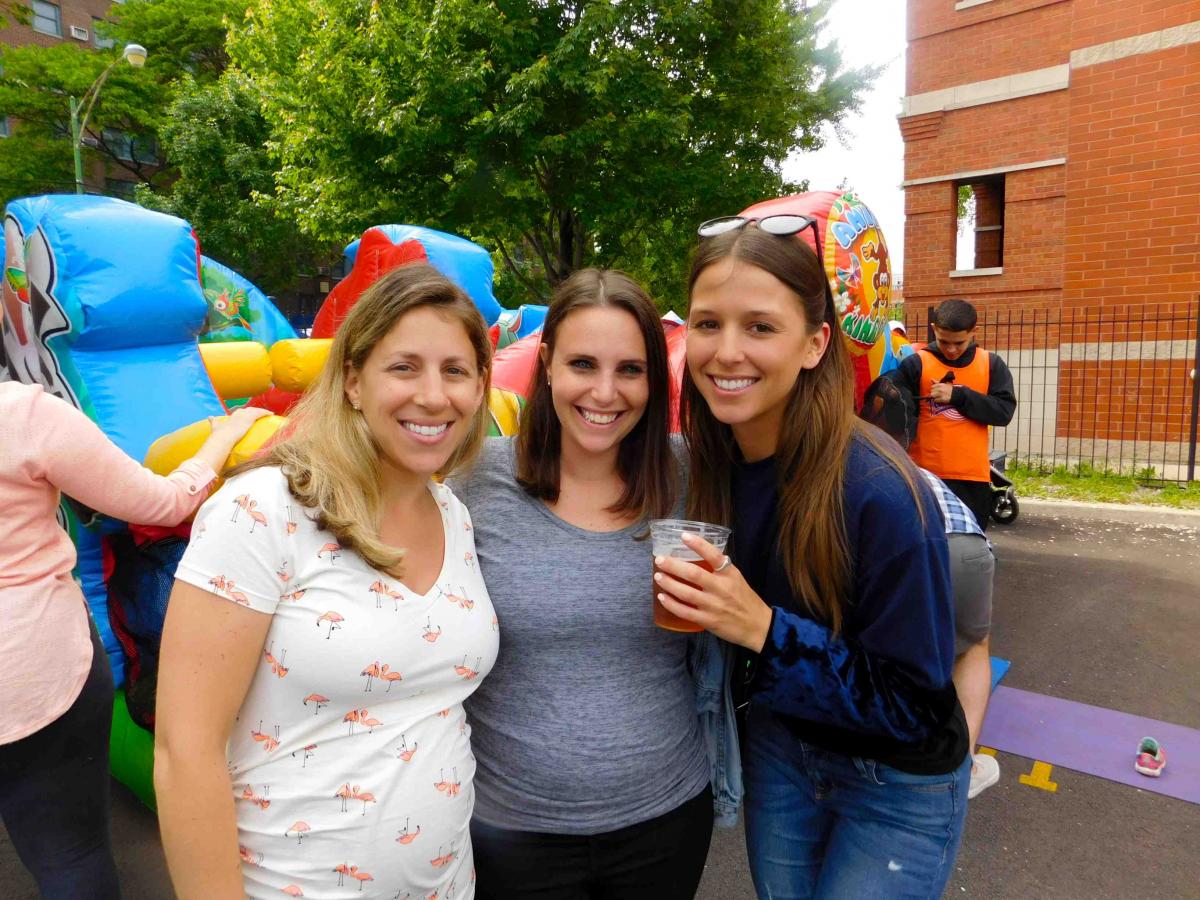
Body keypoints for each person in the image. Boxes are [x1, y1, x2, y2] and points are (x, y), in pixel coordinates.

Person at [154, 264, 496, 900]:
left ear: (480, 388)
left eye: (455, 370)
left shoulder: (455, 513)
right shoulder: (262, 509)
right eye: (404, 367)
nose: (433, 395)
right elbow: (184, 751)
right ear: (353, 381)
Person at [654, 219, 970, 899]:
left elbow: (914, 706)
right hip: (783, 751)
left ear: (815, 343)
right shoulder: (710, 465)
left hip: (894, 781)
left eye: (760, 327)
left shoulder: (878, 492)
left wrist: (764, 630)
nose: (726, 351)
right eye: (707, 324)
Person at [449, 269, 713, 899]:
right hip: (510, 831)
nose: (605, 391)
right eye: (583, 364)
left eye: (630, 369)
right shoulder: (474, 481)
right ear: (546, 366)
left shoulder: (693, 477)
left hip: (667, 819)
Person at [0, 381, 268, 900]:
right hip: (36, 672)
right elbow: (164, 503)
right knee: (69, 852)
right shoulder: (23, 415)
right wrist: (224, 435)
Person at [860, 375, 1000, 799]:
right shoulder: (916, 468)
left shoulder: (858, 463)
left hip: (918, 543)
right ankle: (964, 762)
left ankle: (880, 762)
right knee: (972, 647)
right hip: (969, 544)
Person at [891, 297, 1016, 531]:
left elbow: (1004, 412)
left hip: (973, 480)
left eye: (959, 343)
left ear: (974, 332)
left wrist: (958, 396)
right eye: (943, 341)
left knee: (968, 547)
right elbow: (895, 416)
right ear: (934, 329)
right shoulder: (916, 364)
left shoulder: (991, 364)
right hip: (924, 476)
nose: (951, 350)